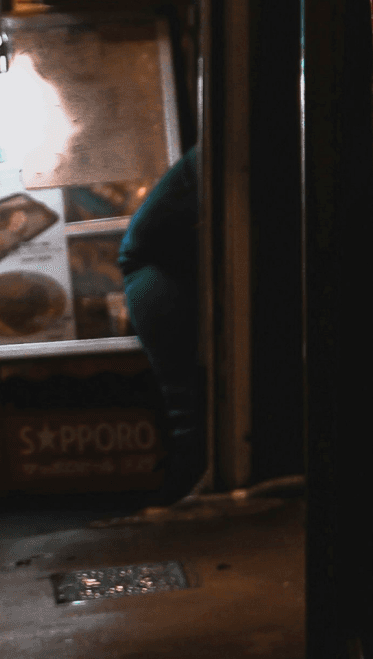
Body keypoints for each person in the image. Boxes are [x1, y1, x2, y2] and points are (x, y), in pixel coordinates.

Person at [117, 144, 202, 502]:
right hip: (158, 274)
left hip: (156, 273)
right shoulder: (222, 145)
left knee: (189, 413)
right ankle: (187, 499)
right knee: (191, 416)